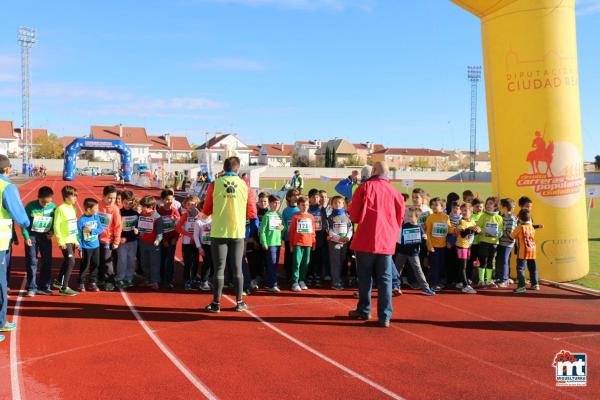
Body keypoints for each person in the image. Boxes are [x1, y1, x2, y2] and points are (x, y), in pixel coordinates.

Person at [347, 161, 405, 328]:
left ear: (373, 171)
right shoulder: (395, 191)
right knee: (385, 279)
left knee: (365, 277)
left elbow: (354, 215)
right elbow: (400, 218)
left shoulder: (365, 187)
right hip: (386, 241)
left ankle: (364, 309)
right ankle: (385, 316)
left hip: (366, 238)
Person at [201, 156, 257, 313]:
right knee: (237, 267)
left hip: (219, 231)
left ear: (224, 169)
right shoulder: (245, 186)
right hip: (237, 231)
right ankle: (239, 302)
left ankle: (216, 303)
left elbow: (206, 209)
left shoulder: (215, 184)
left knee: (219, 268)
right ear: (238, 169)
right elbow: (252, 212)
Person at [0, 155, 30, 340]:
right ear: (6, 169)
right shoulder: (7, 187)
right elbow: (20, 216)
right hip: (0, 243)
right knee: (1, 284)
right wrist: (26, 224)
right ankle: (0, 321)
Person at [22, 186, 55, 297]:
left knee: (47, 261)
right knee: (32, 261)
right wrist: (26, 237)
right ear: (38, 198)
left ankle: (44, 286)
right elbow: (24, 224)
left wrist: (52, 232)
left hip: (45, 237)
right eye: (43, 202)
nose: (46, 204)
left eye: (48, 202)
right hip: (32, 236)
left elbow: (56, 221)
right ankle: (32, 287)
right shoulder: (30, 206)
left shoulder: (53, 207)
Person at [394, 208, 435, 296]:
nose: (409, 218)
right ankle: (395, 287)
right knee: (397, 270)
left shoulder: (419, 228)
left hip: (413, 253)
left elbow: (422, 243)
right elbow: (398, 239)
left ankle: (426, 288)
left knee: (418, 270)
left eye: (411, 216)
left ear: (417, 217)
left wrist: (424, 239)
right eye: (408, 216)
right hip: (402, 251)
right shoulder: (404, 226)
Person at [52, 185, 80, 296]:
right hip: (65, 240)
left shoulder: (73, 209)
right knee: (71, 261)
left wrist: (76, 241)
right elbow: (56, 225)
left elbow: (74, 226)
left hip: (72, 240)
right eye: (73, 196)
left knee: (67, 261)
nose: (75, 198)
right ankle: (64, 288)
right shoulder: (60, 209)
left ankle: (58, 281)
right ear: (66, 197)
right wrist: (60, 241)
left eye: (76, 196)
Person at [96, 185, 122, 291]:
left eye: (114, 198)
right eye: (109, 198)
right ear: (104, 196)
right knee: (98, 261)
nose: (112, 200)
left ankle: (110, 282)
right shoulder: (97, 205)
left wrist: (116, 241)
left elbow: (118, 226)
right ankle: (100, 279)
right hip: (96, 239)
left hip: (108, 240)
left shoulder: (115, 209)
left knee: (107, 262)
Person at [325, 196, 353, 291]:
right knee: (335, 262)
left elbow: (350, 228)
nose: (337, 204)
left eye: (339, 203)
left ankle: (339, 278)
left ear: (343, 204)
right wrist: (338, 238)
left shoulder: (346, 217)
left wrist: (348, 237)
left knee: (342, 261)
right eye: (335, 203)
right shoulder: (330, 217)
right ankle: (335, 282)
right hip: (334, 244)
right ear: (331, 205)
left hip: (344, 243)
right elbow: (329, 230)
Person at [289, 196, 316, 292]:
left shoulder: (311, 217)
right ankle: (295, 282)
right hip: (297, 243)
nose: (305, 207)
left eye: (307, 205)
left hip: (308, 243)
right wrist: (291, 244)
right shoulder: (295, 217)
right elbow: (292, 231)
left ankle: (301, 280)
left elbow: (313, 231)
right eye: (303, 205)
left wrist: (313, 242)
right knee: (297, 263)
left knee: (305, 263)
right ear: (299, 206)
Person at [425, 198, 452, 292]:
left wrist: (457, 230)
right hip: (434, 247)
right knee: (434, 265)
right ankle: (434, 283)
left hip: (443, 246)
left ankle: (439, 281)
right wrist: (430, 246)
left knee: (441, 265)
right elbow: (427, 233)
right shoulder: (430, 218)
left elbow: (449, 229)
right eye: (432, 204)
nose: (434, 206)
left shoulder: (446, 217)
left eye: (436, 204)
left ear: (442, 207)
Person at [476, 197, 504, 288]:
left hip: (494, 243)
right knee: (483, 260)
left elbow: (501, 230)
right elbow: (478, 228)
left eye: (491, 203)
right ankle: (481, 280)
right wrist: (484, 232)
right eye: (487, 203)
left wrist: (498, 234)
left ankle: (488, 281)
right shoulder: (483, 216)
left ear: (495, 206)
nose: (488, 205)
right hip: (483, 242)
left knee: (490, 261)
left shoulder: (499, 217)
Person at [77, 198, 105, 292]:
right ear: (89, 209)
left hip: (96, 246)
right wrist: (80, 248)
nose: (97, 210)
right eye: (96, 208)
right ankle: (81, 282)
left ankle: (93, 282)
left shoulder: (96, 217)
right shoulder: (81, 221)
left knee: (96, 264)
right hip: (85, 247)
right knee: (85, 265)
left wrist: (92, 231)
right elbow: (79, 236)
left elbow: (101, 229)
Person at [259, 194, 284, 293]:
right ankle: (272, 284)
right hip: (270, 244)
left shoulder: (279, 215)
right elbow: (262, 231)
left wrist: (281, 227)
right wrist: (264, 242)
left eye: (278, 203)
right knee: (272, 264)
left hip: (278, 243)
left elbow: (284, 227)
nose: (276, 205)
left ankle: (270, 282)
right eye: (274, 203)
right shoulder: (267, 215)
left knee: (274, 264)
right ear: (270, 204)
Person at [138, 195, 163, 290]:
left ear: (151, 207)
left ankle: (155, 281)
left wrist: (157, 240)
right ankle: (147, 279)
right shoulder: (141, 215)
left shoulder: (157, 217)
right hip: (143, 243)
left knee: (154, 263)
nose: (143, 208)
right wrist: (138, 231)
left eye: (145, 207)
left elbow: (160, 232)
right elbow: (140, 228)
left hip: (153, 244)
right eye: (142, 206)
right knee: (144, 262)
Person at [511, 209, 539, 293]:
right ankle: (535, 284)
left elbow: (511, 236)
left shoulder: (520, 227)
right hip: (532, 250)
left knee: (520, 268)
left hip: (523, 251)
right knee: (532, 268)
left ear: (519, 218)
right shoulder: (531, 227)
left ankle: (521, 286)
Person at [176, 195, 200, 290]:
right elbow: (178, 228)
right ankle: (187, 280)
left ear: (196, 204)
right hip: (187, 243)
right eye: (188, 205)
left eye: (193, 204)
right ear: (185, 205)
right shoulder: (185, 215)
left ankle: (193, 278)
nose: (190, 206)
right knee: (188, 262)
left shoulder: (199, 215)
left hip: (197, 242)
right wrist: (190, 235)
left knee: (196, 261)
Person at [158, 189, 181, 289]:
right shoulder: (159, 212)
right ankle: (161, 278)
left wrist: (175, 238)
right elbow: (158, 228)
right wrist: (163, 240)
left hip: (172, 240)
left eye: (171, 199)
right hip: (162, 240)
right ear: (162, 200)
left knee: (170, 260)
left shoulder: (175, 211)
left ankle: (169, 280)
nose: (169, 201)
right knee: (161, 260)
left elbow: (178, 226)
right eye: (167, 200)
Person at [455, 202, 480, 294]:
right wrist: (471, 229)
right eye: (462, 211)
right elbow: (462, 234)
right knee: (463, 266)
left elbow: (473, 233)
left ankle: (460, 282)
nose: (463, 212)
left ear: (471, 211)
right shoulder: (461, 221)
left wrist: (477, 230)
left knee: (465, 265)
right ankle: (465, 286)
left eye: (465, 210)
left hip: (468, 246)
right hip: (461, 247)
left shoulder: (472, 221)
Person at [116, 190, 139, 289]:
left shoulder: (136, 214)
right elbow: (116, 227)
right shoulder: (119, 213)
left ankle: (129, 277)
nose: (128, 205)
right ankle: (120, 278)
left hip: (133, 241)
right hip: (122, 242)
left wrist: (137, 231)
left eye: (130, 203)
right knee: (122, 260)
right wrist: (120, 238)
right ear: (121, 201)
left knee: (131, 260)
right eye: (126, 203)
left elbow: (138, 227)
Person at [306, 188, 327, 287]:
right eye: (313, 197)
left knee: (319, 257)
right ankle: (310, 275)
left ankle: (318, 275)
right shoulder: (307, 209)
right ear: (309, 198)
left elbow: (325, 222)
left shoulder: (322, 209)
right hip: (309, 236)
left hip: (320, 236)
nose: (315, 199)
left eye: (317, 197)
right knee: (310, 257)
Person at [496, 198, 517, 287]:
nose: (498, 207)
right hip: (500, 242)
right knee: (500, 260)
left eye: (500, 205)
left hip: (507, 244)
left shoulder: (512, 219)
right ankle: (500, 277)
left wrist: (498, 232)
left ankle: (504, 280)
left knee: (504, 260)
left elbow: (510, 233)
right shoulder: (501, 217)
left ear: (504, 207)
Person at [193, 203, 213, 291]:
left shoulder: (215, 219)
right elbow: (196, 236)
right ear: (201, 209)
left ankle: (211, 280)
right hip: (205, 245)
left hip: (215, 245)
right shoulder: (198, 221)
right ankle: (204, 281)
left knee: (215, 263)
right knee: (207, 263)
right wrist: (199, 247)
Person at [282, 189, 300, 283]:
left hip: (299, 239)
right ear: (289, 198)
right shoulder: (285, 211)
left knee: (297, 257)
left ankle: (296, 274)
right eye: (294, 196)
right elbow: (283, 224)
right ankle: (288, 274)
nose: (296, 197)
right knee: (288, 256)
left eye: (297, 195)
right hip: (288, 238)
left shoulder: (300, 209)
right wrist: (284, 235)